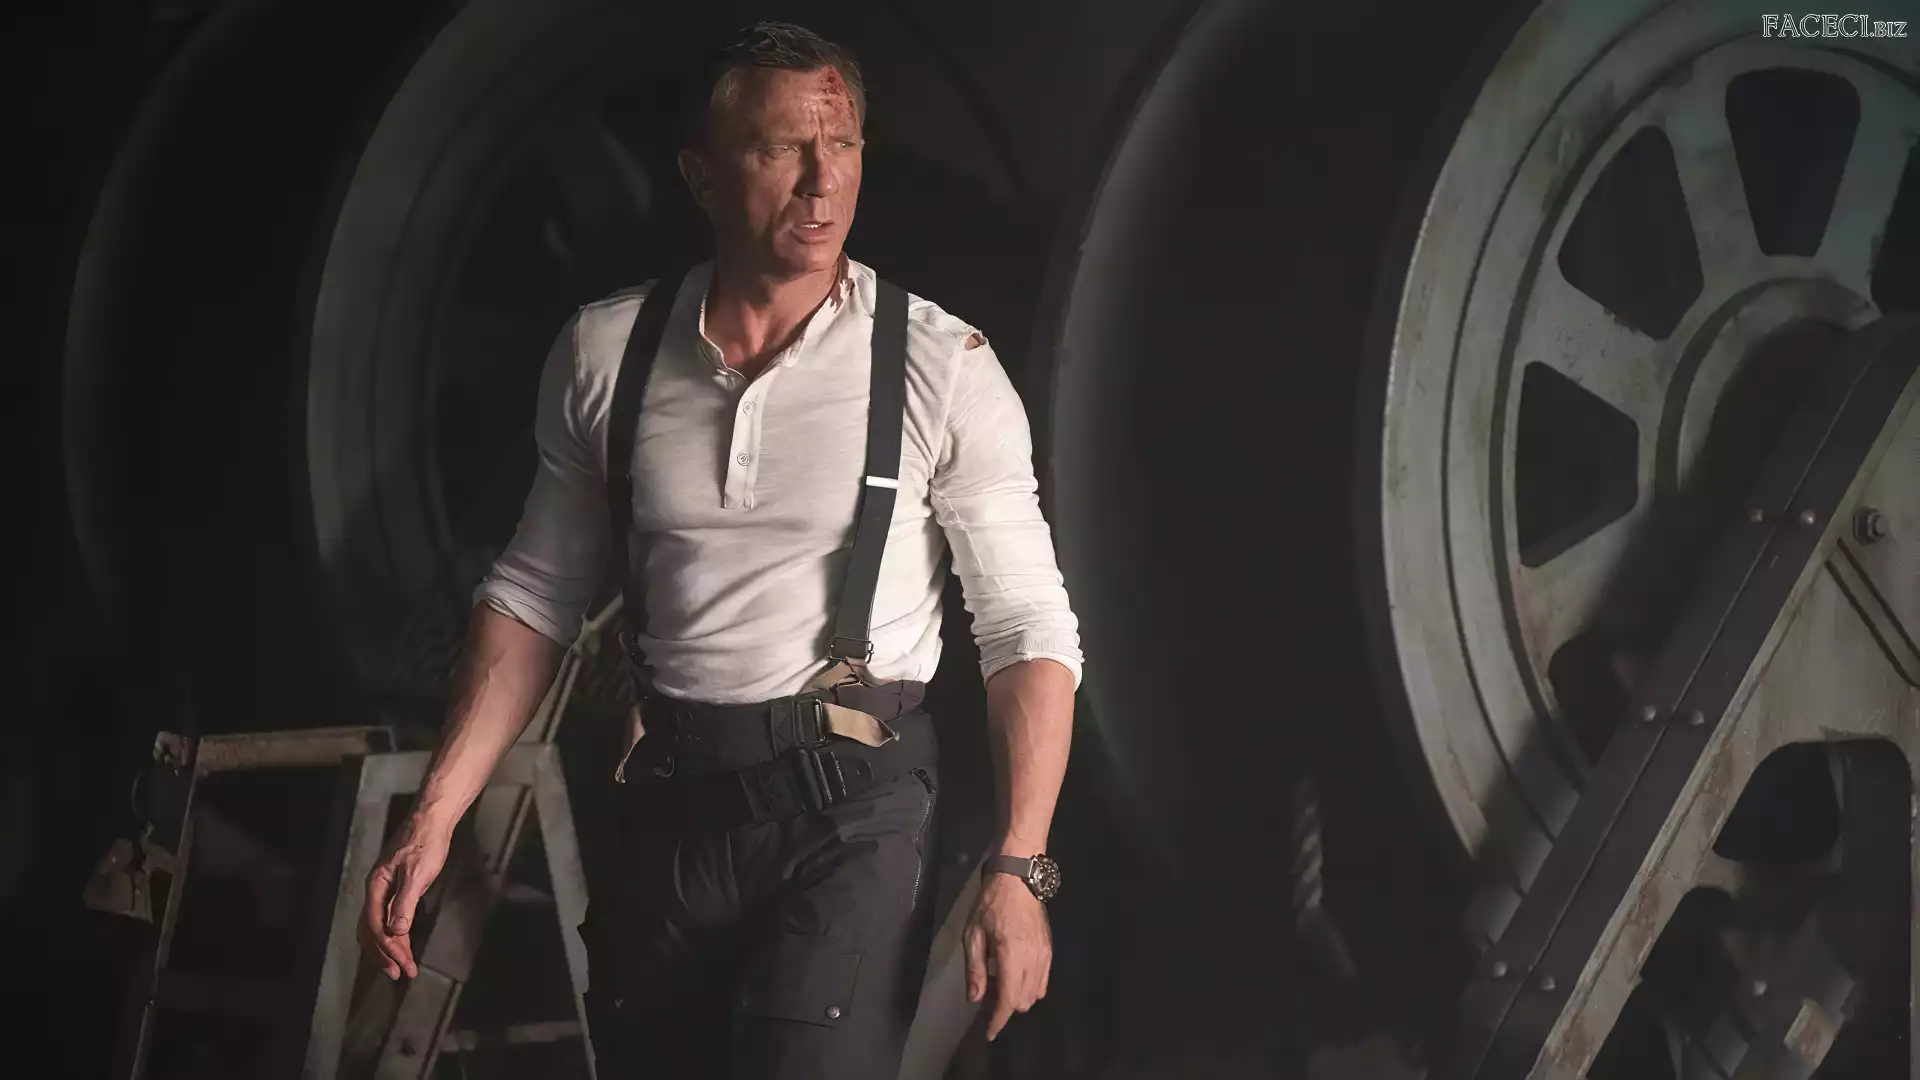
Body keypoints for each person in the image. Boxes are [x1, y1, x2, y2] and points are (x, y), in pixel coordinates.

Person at [357, 20, 1083, 1080]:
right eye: (780, 147)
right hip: (674, 801)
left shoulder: (944, 366)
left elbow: (1026, 626)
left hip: (856, 806)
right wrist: (433, 818)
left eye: (844, 145)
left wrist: (1020, 865)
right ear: (701, 175)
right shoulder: (607, 354)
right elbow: (535, 599)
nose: (822, 181)